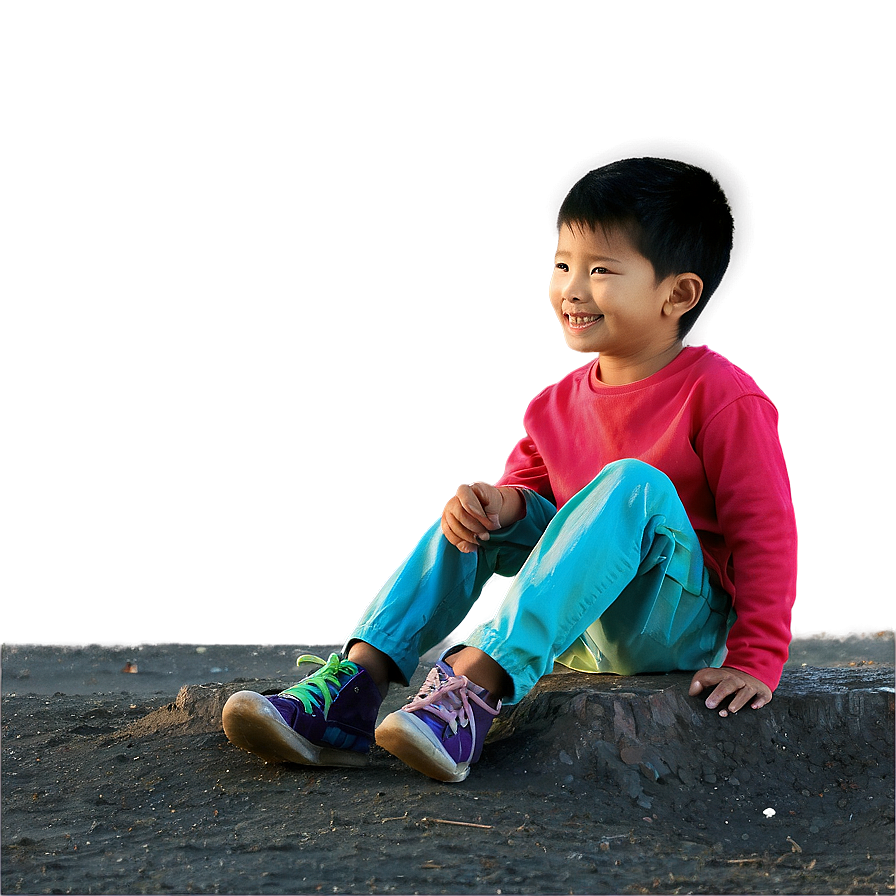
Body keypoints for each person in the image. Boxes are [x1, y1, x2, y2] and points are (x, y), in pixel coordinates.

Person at [222, 157, 797, 783]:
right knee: (475, 512)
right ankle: (356, 686)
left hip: (672, 625)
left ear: (677, 294)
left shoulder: (721, 396)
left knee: (633, 483)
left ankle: (474, 690)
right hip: (579, 624)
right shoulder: (554, 406)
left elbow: (764, 530)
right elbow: (526, 501)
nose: (572, 289)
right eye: (562, 266)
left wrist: (756, 657)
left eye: (601, 271)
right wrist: (501, 505)